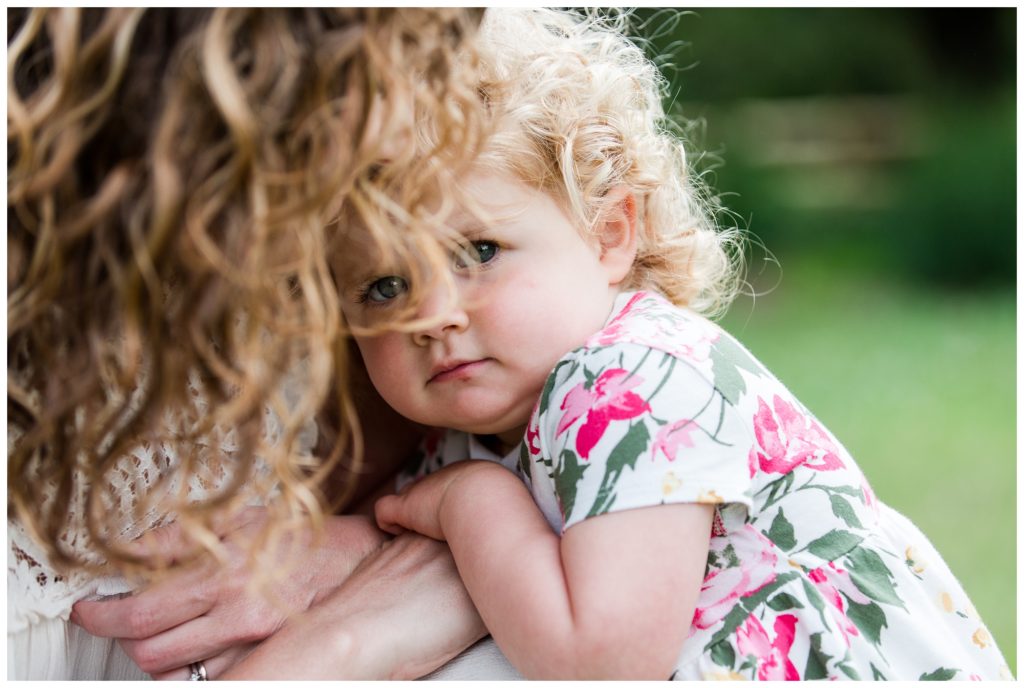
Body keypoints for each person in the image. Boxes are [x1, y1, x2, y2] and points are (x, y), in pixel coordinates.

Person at [328, 7, 1013, 680]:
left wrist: (468, 502)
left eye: (479, 250)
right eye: (384, 287)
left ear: (608, 234)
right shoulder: (454, 435)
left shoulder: (630, 377)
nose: (432, 315)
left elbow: (602, 664)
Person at [8, 7, 520, 680]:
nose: (401, 136)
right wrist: (336, 648)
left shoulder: (323, 257)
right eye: (362, 66)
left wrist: (410, 551)